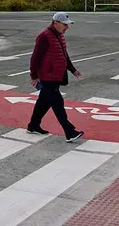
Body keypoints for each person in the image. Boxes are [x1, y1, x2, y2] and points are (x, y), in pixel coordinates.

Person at [26, 12, 85, 142]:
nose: (67, 27)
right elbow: (35, 58)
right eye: (64, 24)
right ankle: (69, 131)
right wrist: (34, 76)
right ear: (55, 23)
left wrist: (73, 70)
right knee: (58, 103)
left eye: (67, 25)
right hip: (48, 77)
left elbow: (64, 55)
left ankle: (33, 125)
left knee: (44, 102)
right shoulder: (44, 36)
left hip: (56, 76)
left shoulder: (59, 36)